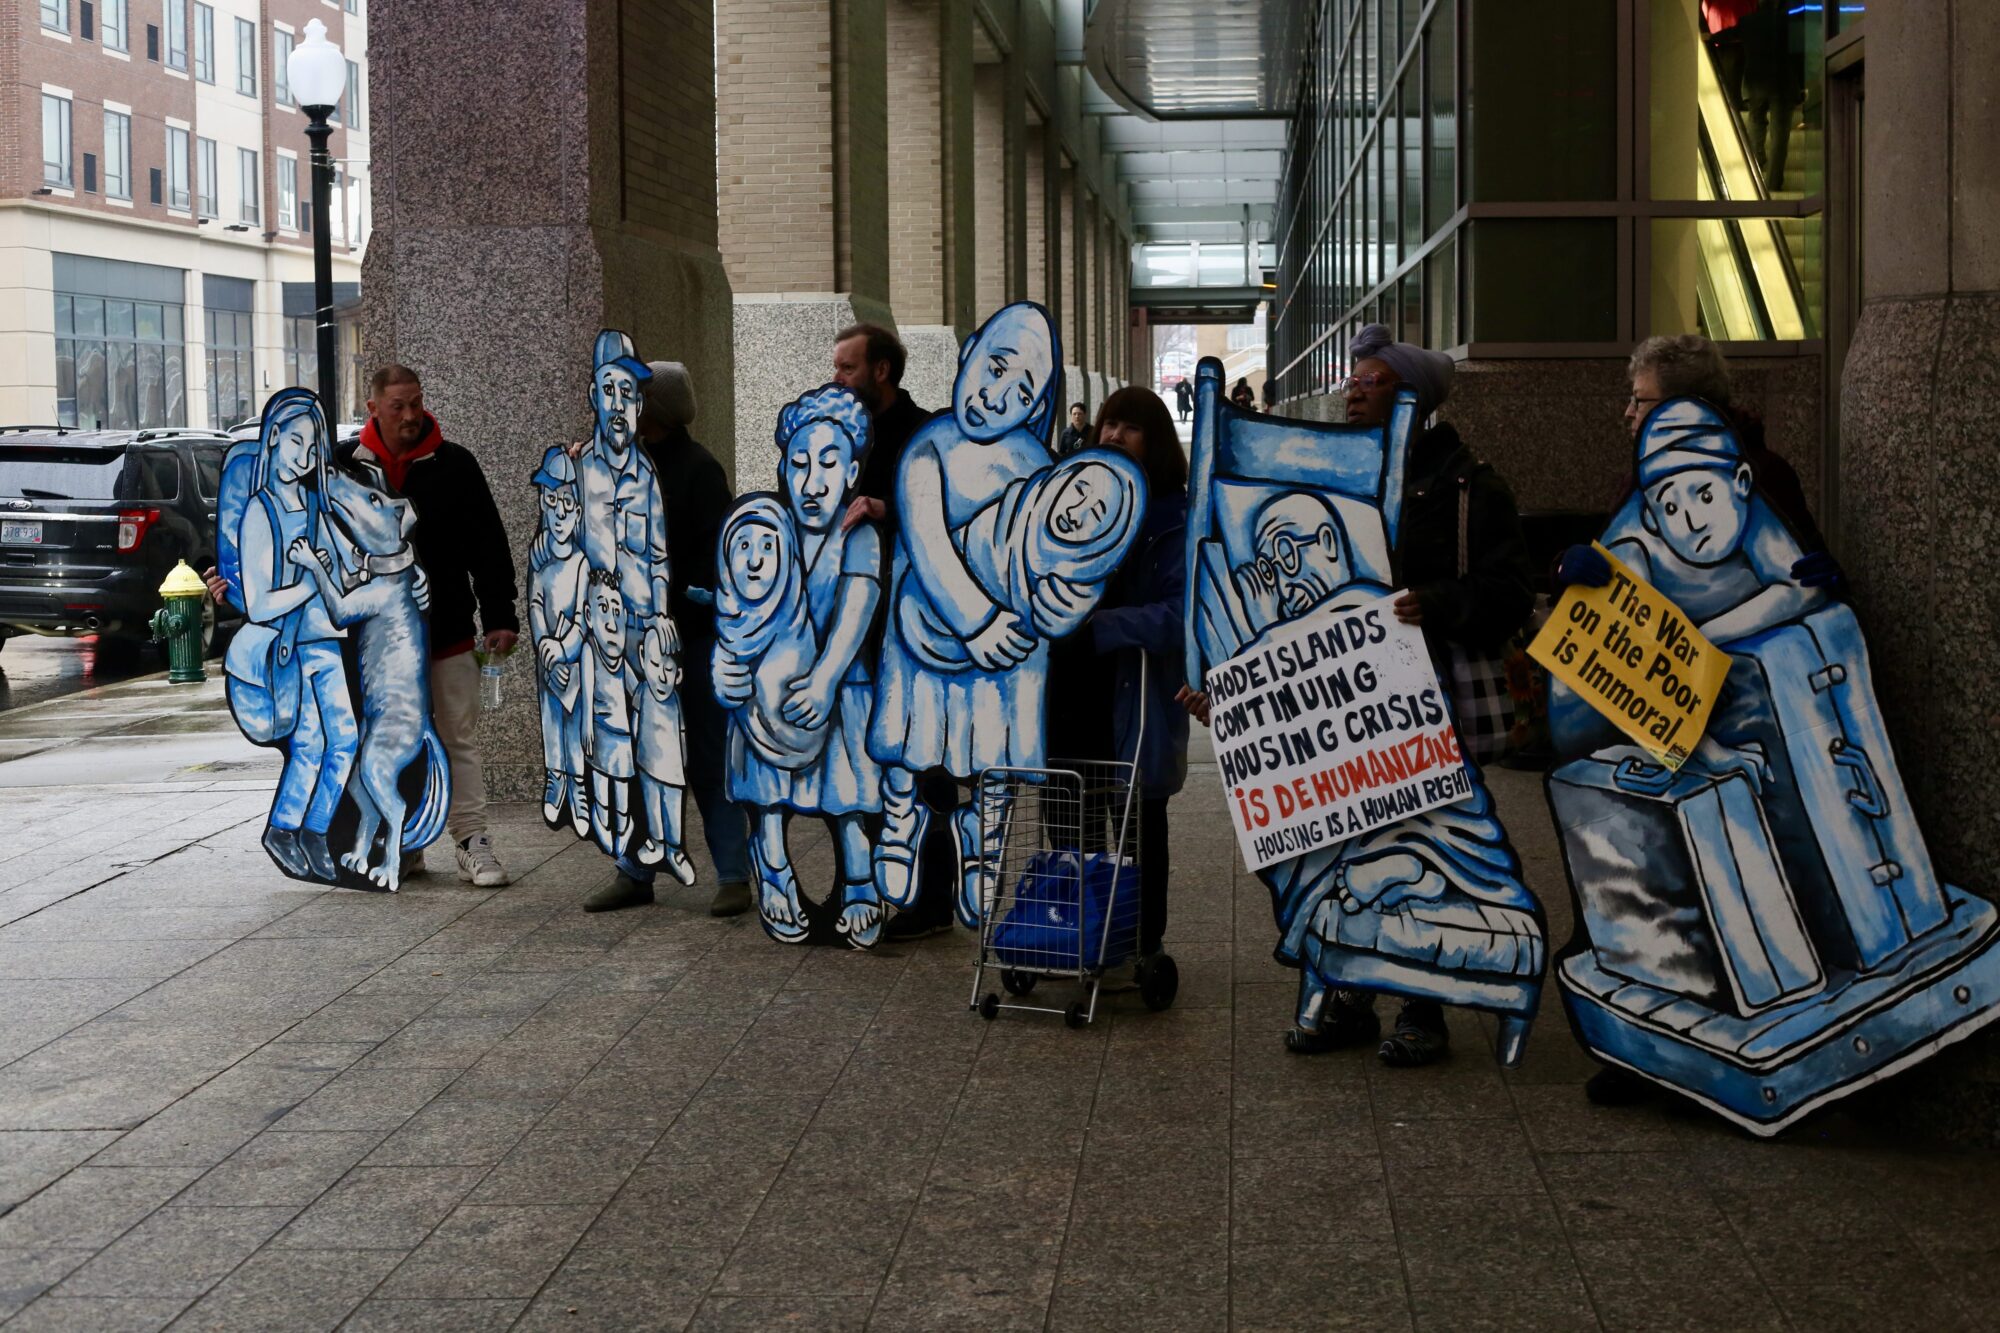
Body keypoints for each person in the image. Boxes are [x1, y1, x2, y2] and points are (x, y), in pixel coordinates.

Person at [1286, 324, 1535, 1066]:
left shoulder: (1471, 489)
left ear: (1415, 401)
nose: (1353, 390)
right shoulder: (1340, 477)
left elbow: (1509, 593)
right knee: (1348, 849)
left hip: (1431, 698)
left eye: (1372, 382)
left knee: (1425, 852)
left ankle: (1424, 1007)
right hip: (1352, 699)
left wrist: (1437, 601)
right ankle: (1350, 996)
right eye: (1352, 380)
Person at [713, 387, 886, 947]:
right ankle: (774, 868)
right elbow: (734, 601)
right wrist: (727, 665)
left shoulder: (859, 536)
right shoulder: (768, 527)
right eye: (800, 464)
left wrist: (827, 676)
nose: (813, 482)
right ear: (783, 467)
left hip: (840, 684)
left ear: (853, 469)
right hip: (767, 689)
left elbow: (857, 610)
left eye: (830, 465)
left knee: (848, 793)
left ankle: (861, 880)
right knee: (765, 792)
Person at [342, 366, 520, 888]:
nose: (411, 415)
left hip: (448, 632)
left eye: (416, 403)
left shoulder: (456, 464)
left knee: (456, 737)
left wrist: (501, 614)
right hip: (378, 644)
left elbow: (488, 544)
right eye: (398, 406)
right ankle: (407, 843)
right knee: (387, 738)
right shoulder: (344, 467)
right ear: (373, 407)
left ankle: (471, 841)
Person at [584, 361, 752, 916]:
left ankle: (734, 873)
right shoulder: (618, 463)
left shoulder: (698, 469)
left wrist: (678, 597)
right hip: (628, 639)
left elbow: (716, 559)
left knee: (706, 756)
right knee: (634, 755)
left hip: (690, 637)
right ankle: (634, 870)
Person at [1045, 386, 1189, 973]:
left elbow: (1182, 615)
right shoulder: (1071, 501)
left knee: (1137, 825)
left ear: (1154, 442)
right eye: (1107, 424)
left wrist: (1104, 626)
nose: (1111, 436)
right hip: (1069, 692)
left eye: (1129, 428)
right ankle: (1083, 929)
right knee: (1067, 817)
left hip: (1134, 694)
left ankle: (1140, 939)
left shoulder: (1174, 518)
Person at [830, 323, 959, 941]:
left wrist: (887, 508)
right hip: (854, 624)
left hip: (910, 629)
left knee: (922, 761)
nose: (837, 378)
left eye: (848, 368)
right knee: (867, 758)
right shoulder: (837, 430)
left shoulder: (925, 433)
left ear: (882, 370)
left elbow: (953, 513)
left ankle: (932, 899)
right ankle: (885, 887)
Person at [1556, 334, 1838, 597]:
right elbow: (1609, 559)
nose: (1628, 412)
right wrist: (1564, 568)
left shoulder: (1767, 476)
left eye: (1639, 400)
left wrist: (1827, 581)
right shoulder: (1639, 480)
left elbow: (1817, 576)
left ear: (1681, 407)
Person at [228, 392, 358, 883]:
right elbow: (260, 606)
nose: (305, 455)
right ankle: (284, 828)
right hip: (288, 649)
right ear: (274, 438)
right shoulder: (260, 514)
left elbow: (346, 566)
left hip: (324, 640)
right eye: (296, 440)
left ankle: (314, 829)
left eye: (313, 444)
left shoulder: (312, 505)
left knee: (343, 739)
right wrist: (307, 582)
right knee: (309, 743)